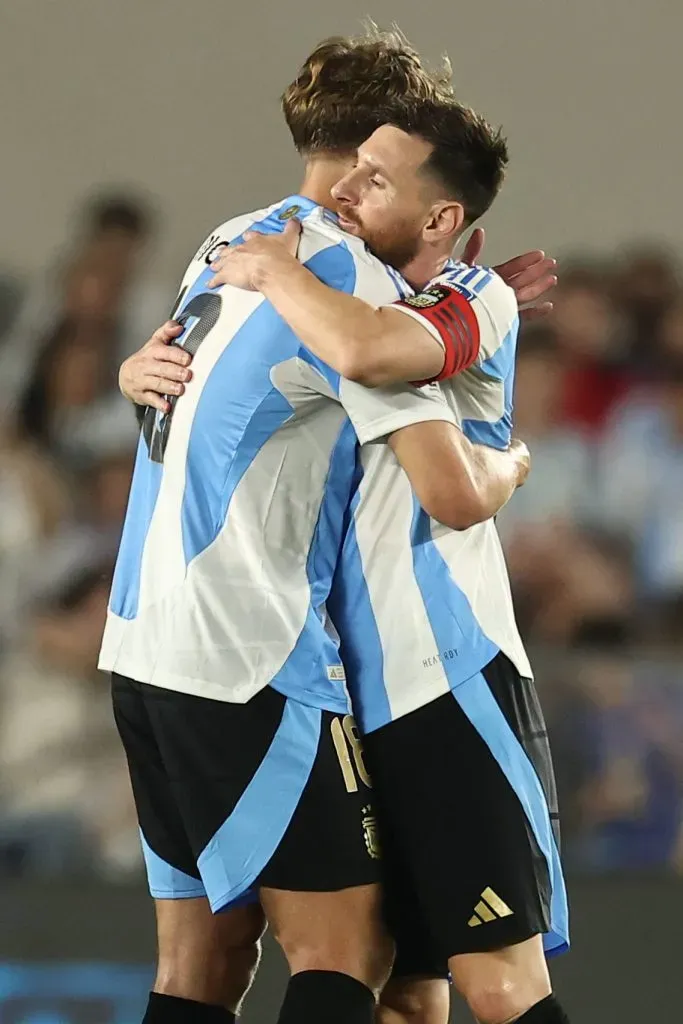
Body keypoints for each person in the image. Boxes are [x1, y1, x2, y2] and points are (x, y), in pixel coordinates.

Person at [103, 30, 532, 1024]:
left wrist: (130, 375)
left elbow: (175, 390)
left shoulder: (229, 240)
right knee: (347, 944)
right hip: (246, 647)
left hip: (140, 641)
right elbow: (439, 471)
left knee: (200, 962)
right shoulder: (338, 274)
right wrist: (501, 424)